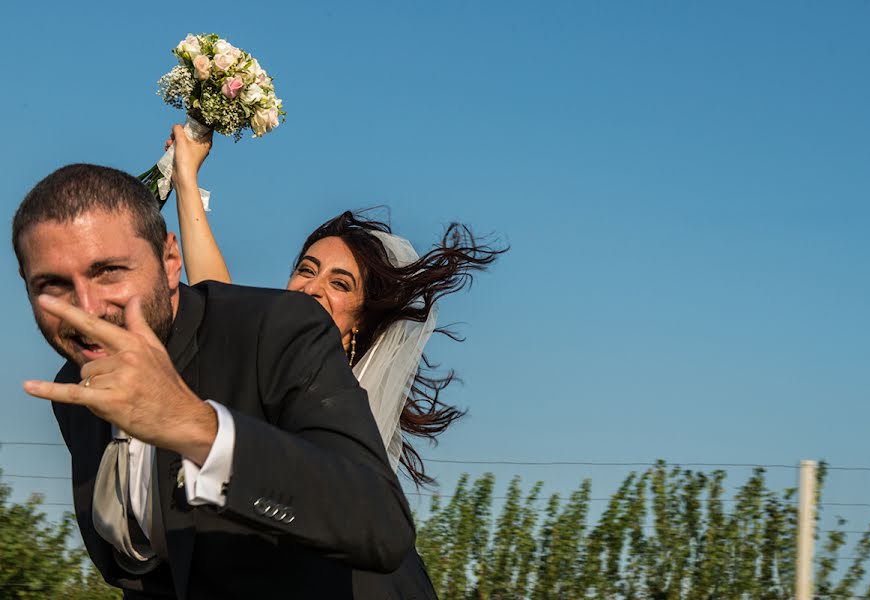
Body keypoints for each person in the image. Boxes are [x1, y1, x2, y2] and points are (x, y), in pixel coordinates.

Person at [13, 163, 418, 599]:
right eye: (52, 285)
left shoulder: (275, 329)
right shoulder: (71, 388)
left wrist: (197, 428)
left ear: (171, 262)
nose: (88, 309)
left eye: (108, 271)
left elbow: (382, 524)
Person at [168, 124, 506, 487]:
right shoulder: (262, 366)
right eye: (306, 270)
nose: (312, 288)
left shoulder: (342, 409)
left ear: (360, 319)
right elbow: (218, 295)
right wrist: (186, 176)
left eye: (340, 283)